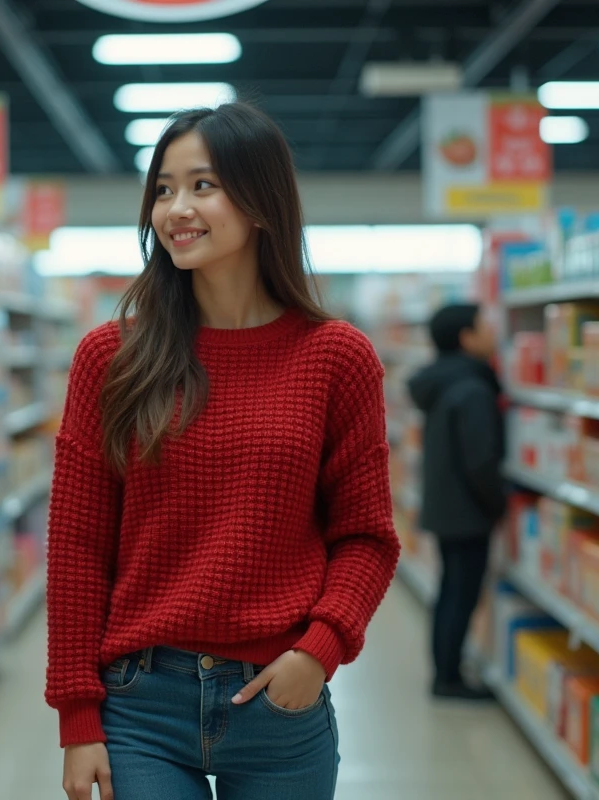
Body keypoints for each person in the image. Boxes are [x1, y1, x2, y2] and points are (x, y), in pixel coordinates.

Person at [45, 102, 399, 800]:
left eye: (203, 185)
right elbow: (78, 546)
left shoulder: (337, 357)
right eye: (164, 189)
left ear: (263, 201)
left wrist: (318, 651)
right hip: (140, 703)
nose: (176, 208)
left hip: (279, 702)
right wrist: (77, 716)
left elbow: (366, 536)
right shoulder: (110, 357)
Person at [407, 303, 505, 701]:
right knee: (461, 594)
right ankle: (449, 679)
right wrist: (498, 504)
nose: (492, 334)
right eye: (485, 326)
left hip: (446, 506)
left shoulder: (443, 382)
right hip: (468, 512)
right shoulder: (474, 387)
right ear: (466, 337)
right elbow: (480, 459)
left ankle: (445, 670)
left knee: (449, 590)